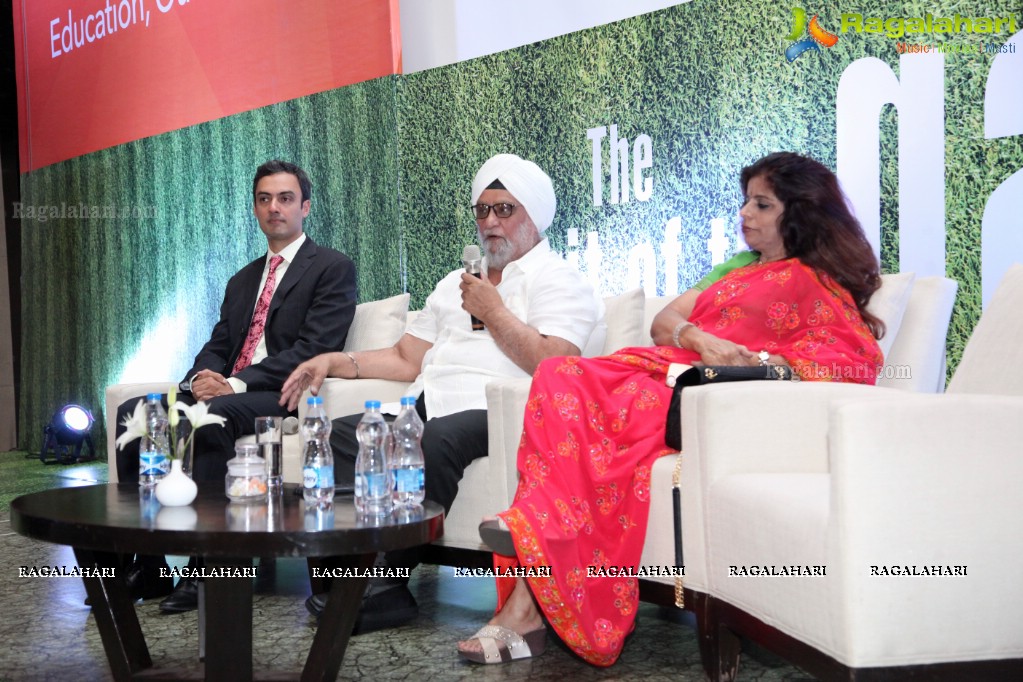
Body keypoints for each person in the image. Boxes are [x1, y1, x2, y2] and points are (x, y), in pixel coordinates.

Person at [457, 151, 886, 665]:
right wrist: (699, 337)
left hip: (709, 397)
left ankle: (530, 556)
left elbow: (854, 359)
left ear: (799, 215)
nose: (745, 213)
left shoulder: (814, 281)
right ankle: (539, 536)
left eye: (762, 204)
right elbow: (666, 322)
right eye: (746, 201)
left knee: (581, 395)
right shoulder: (735, 271)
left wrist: (760, 361)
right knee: (558, 374)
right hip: (668, 367)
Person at [279, 153, 606, 634]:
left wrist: (493, 311)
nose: (490, 222)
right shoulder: (455, 282)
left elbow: (553, 362)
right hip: (427, 402)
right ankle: (339, 584)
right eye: (482, 211)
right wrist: (338, 362)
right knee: (331, 439)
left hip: (504, 411)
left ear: (534, 217)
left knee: (432, 441)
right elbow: (407, 357)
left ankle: (388, 588)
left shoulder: (559, 280)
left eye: (505, 210)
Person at [114, 159, 358, 612]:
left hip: (281, 393)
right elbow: (220, 342)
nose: (274, 208)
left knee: (214, 416)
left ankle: (210, 570)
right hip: (231, 386)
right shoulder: (243, 278)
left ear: (305, 207)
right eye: (264, 199)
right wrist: (202, 378)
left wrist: (234, 384)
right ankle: (146, 564)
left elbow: (312, 348)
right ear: (254, 209)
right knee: (135, 410)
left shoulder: (331, 268)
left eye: (285, 199)